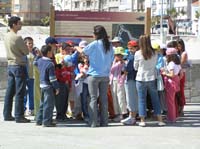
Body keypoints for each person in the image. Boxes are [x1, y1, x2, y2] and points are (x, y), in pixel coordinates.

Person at [76, 25, 114, 127]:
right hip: (105, 75)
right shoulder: (109, 45)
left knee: (93, 98)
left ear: (96, 35)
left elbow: (83, 52)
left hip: (93, 75)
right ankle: (104, 122)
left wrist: (76, 48)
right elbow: (111, 59)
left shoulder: (95, 44)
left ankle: (93, 122)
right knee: (103, 99)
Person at [134, 35, 165, 127]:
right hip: (152, 77)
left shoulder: (138, 53)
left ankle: (142, 120)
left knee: (142, 99)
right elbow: (156, 65)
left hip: (140, 78)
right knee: (155, 99)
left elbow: (135, 67)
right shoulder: (154, 53)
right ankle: (160, 120)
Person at [3, 16, 30, 123]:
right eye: (19, 23)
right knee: (20, 92)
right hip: (19, 65)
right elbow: (26, 52)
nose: (21, 25)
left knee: (9, 92)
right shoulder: (17, 37)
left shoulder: (6, 36)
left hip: (10, 65)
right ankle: (19, 116)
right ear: (14, 24)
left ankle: (7, 114)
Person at [35, 45, 59, 127]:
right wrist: (56, 87)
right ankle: (46, 121)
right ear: (48, 52)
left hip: (42, 85)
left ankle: (39, 120)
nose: (52, 53)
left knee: (42, 104)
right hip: (48, 86)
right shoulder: (50, 64)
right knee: (48, 105)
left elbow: (35, 63)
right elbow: (52, 78)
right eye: (51, 51)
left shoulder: (40, 61)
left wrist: (38, 56)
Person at [161, 48, 181, 122]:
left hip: (170, 83)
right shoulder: (177, 64)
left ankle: (171, 118)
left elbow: (172, 74)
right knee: (172, 101)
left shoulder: (171, 63)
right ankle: (173, 117)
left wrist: (164, 73)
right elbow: (180, 74)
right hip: (175, 83)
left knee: (170, 102)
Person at [121, 40, 138, 125]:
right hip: (133, 79)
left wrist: (123, 70)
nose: (130, 50)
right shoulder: (130, 56)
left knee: (131, 99)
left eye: (132, 48)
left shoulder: (132, 57)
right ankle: (132, 116)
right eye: (129, 48)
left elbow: (127, 69)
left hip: (131, 78)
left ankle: (132, 117)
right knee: (132, 98)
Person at [110, 47, 127, 122]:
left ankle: (123, 113)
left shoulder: (124, 63)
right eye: (119, 55)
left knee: (121, 97)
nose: (121, 57)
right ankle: (117, 113)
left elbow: (124, 72)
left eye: (122, 55)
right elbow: (111, 70)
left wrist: (120, 63)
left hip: (121, 81)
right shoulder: (113, 62)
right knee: (114, 97)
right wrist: (116, 63)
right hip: (113, 81)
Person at [23, 37, 35, 116]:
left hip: (33, 77)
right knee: (24, 94)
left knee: (32, 94)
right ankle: (23, 109)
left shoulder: (34, 54)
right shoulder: (23, 53)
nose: (31, 45)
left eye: (32, 43)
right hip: (25, 76)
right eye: (29, 43)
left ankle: (31, 109)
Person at [177, 39, 188, 116]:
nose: (178, 47)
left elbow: (181, 63)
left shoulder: (184, 53)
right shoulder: (178, 53)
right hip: (177, 73)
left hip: (181, 73)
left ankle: (182, 108)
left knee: (181, 91)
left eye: (179, 46)